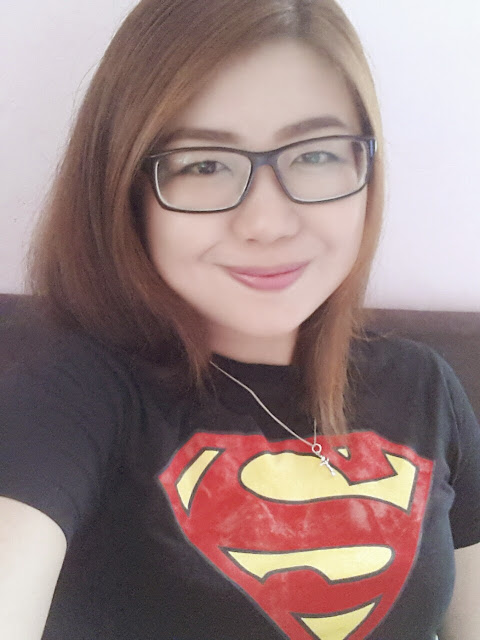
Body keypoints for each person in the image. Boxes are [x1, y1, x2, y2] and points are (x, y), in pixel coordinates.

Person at [1, 0, 479, 638]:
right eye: (203, 165)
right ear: (126, 191)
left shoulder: (425, 386)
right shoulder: (72, 395)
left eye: (315, 155)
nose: (267, 223)